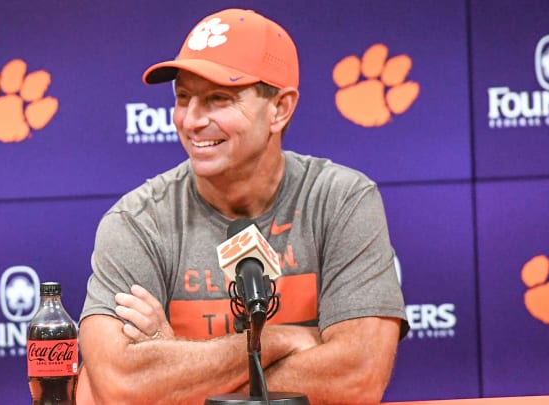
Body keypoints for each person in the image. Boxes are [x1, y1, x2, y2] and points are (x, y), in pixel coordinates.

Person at [76, 8, 408, 405]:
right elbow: (120, 386)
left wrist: (175, 360)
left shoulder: (341, 201)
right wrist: (282, 339)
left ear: (280, 109)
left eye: (218, 99)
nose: (191, 120)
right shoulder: (136, 221)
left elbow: (356, 378)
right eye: (183, 97)